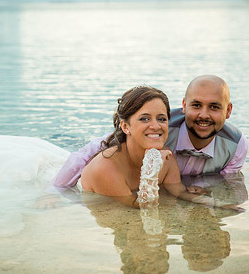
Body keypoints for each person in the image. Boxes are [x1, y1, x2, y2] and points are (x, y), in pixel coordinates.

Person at [53, 75, 248, 188]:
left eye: (214, 107)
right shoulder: (159, 128)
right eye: (196, 105)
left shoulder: (236, 145)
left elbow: (225, 184)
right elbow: (94, 150)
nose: (203, 115)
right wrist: (57, 191)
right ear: (184, 105)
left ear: (228, 110)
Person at [76, 85, 214, 208]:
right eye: (144, 119)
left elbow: (178, 192)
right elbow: (143, 207)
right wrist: (153, 167)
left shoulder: (166, 155)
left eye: (161, 119)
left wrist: (221, 203)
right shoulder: (105, 168)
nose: (155, 126)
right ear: (125, 126)